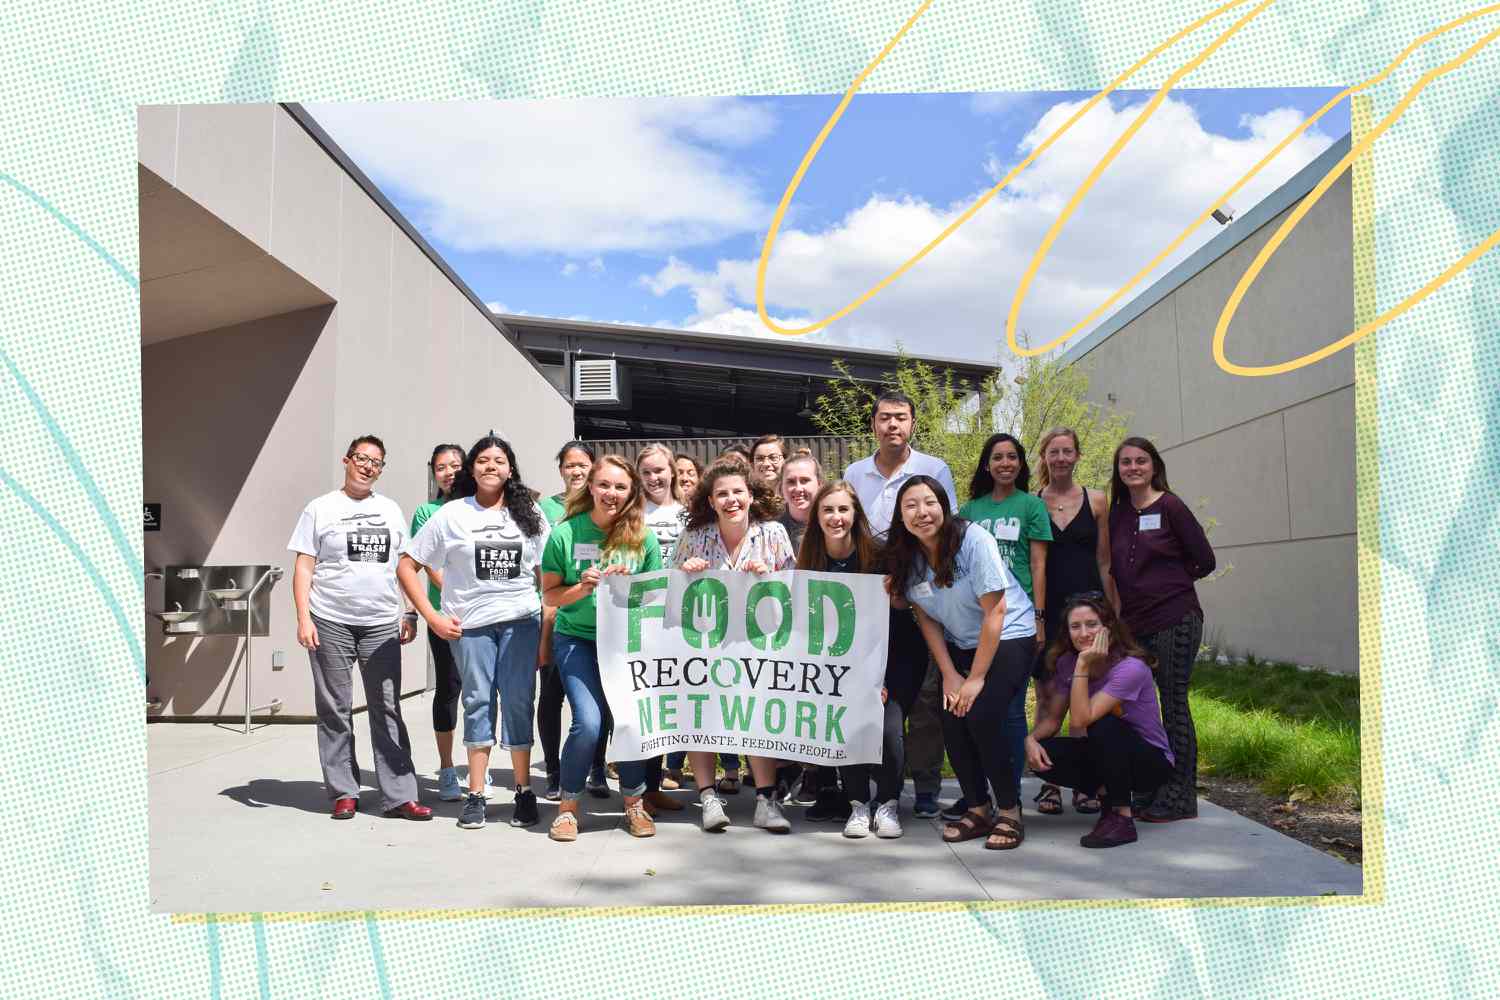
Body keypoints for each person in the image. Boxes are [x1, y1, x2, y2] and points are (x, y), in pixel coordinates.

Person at [398, 436, 549, 830]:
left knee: (518, 702)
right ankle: (477, 794)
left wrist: (547, 628)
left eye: (499, 460)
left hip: (521, 623)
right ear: (472, 469)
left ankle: (523, 791)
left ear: (510, 469)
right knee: (478, 702)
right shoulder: (451, 514)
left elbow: (547, 573)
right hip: (471, 628)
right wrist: (431, 616)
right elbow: (407, 565)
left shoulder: (529, 513)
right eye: (483, 460)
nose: (490, 466)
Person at [288, 435, 431, 822]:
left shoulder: (390, 510)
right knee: (335, 708)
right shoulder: (320, 508)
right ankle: (343, 792)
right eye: (362, 458)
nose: (368, 466)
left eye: (376, 462)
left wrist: (409, 612)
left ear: (381, 470)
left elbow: (403, 566)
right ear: (347, 460)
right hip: (329, 619)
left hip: (381, 623)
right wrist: (303, 618)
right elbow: (304, 567)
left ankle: (400, 796)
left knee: (387, 707)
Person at [886, 475, 1033, 850]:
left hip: (1009, 634)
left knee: (982, 716)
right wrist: (950, 674)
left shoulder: (973, 540)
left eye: (929, 502)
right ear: (901, 516)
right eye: (911, 505)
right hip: (960, 643)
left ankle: (1010, 812)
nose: (922, 512)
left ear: (944, 506)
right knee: (951, 720)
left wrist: (976, 678)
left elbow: (996, 611)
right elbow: (926, 618)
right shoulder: (908, 555)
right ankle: (979, 809)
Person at [843, 390, 958, 819]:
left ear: (912, 424)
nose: (893, 424)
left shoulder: (934, 468)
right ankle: (875, 784)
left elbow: (946, 527)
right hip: (872, 595)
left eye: (901, 417)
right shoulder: (855, 472)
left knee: (926, 697)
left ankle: (925, 785)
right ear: (873, 424)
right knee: (872, 693)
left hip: (921, 586)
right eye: (885, 417)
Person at [540, 455, 664, 841]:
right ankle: (567, 809)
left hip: (626, 643)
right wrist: (583, 587)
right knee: (588, 723)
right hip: (576, 638)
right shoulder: (565, 534)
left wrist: (631, 588)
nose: (612, 493)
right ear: (591, 487)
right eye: (605, 485)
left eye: (620, 487)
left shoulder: (643, 538)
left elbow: (656, 597)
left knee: (629, 719)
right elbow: (550, 595)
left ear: (631, 493)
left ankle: (634, 804)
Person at [674, 460, 798, 833]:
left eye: (737, 492)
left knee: (755, 715)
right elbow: (670, 592)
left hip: (758, 645)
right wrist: (685, 572)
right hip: (704, 647)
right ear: (711, 501)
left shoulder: (773, 533)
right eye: (722, 494)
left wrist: (768, 577)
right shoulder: (694, 536)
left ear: (751, 495)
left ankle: (765, 801)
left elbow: (795, 589)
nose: (731, 499)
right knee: (701, 716)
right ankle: (708, 798)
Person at [1108, 436, 1215, 823]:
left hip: (1175, 618)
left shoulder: (1170, 506)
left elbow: (1205, 560)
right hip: (1134, 624)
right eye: (1126, 462)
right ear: (1118, 470)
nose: (1133, 468)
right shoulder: (1118, 513)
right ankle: (1152, 784)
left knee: (1173, 703)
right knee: (1140, 709)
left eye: (1141, 461)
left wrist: (1170, 584)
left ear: (1154, 466)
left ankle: (1180, 795)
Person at [797, 481, 911, 839]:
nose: (836, 517)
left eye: (843, 509)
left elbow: (902, 611)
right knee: (846, 726)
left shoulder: (879, 557)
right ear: (817, 517)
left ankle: (888, 803)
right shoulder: (809, 560)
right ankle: (858, 804)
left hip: (892, 660)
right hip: (839, 668)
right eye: (828, 510)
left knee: (888, 730)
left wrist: (879, 679)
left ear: (855, 514)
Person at [951, 433, 1051, 821]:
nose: (1005, 463)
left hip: (1017, 622)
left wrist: (1039, 618)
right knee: (976, 713)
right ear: (986, 465)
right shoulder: (970, 510)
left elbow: (1039, 565)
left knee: (1009, 711)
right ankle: (979, 794)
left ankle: (1010, 792)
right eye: (997, 457)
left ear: (1021, 464)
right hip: (978, 621)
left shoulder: (1032, 505)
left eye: (1012, 457)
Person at [1025, 595, 1175, 847]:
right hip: (1107, 752)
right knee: (1046, 754)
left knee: (1102, 723)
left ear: (1109, 627)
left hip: (1150, 763)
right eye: (1075, 626)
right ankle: (1108, 806)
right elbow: (1053, 720)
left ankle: (1122, 818)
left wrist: (1083, 665)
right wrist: (1029, 740)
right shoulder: (1066, 662)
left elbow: (1080, 720)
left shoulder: (1131, 668)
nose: (1084, 633)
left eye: (1092, 624)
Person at [1033, 426, 1116, 814]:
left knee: (1086, 694)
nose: (1061, 458)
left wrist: (1113, 614)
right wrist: (1037, 617)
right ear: (1045, 457)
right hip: (1050, 614)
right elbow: (1035, 564)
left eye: (1068, 451)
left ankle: (1084, 782)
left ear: (1077, 456)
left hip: (1090, 614)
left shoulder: (1097, 500)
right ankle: (1050, 783)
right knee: (1048, 698)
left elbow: (1105, 561)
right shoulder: (1033, 502)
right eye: (1054, 452)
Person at [536, 442, 611, 801]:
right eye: (569, 465)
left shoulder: (606, 505)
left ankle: (597, 767)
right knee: (551, 694)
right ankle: (554, 771)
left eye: (583, 465)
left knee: (600, 699)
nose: (576, 471)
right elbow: (539, 563)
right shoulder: (545, 510)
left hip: (598, 616)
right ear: (561, 470)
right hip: (554, 611)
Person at [632, 444, 690, 811]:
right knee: (643, 705)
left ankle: (654, 787)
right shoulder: (633, 513)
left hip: (681, 620)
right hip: (641, 620)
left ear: (673, 471)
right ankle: (637, 789)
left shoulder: (689, 513)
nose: (655, 478)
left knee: (668, 706)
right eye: (647, 472)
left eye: (660, 470)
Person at [409, 443, 467, 801]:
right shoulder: (427, 512)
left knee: (483, 693)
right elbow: (429, 565)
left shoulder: (478, 507)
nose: (449, 472)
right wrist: (463, 593)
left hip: (484, 616)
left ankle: (478, 767)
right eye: (441, 467)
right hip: (445, 616)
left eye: (455, 465)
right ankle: (447, 768)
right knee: (448, 688)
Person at [777, 453, 821, 553]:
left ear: (819, 484)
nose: (798, 488)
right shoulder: (770, 527)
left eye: (805, 480)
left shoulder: (832, 522)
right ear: (781, 487)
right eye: (791, 482)